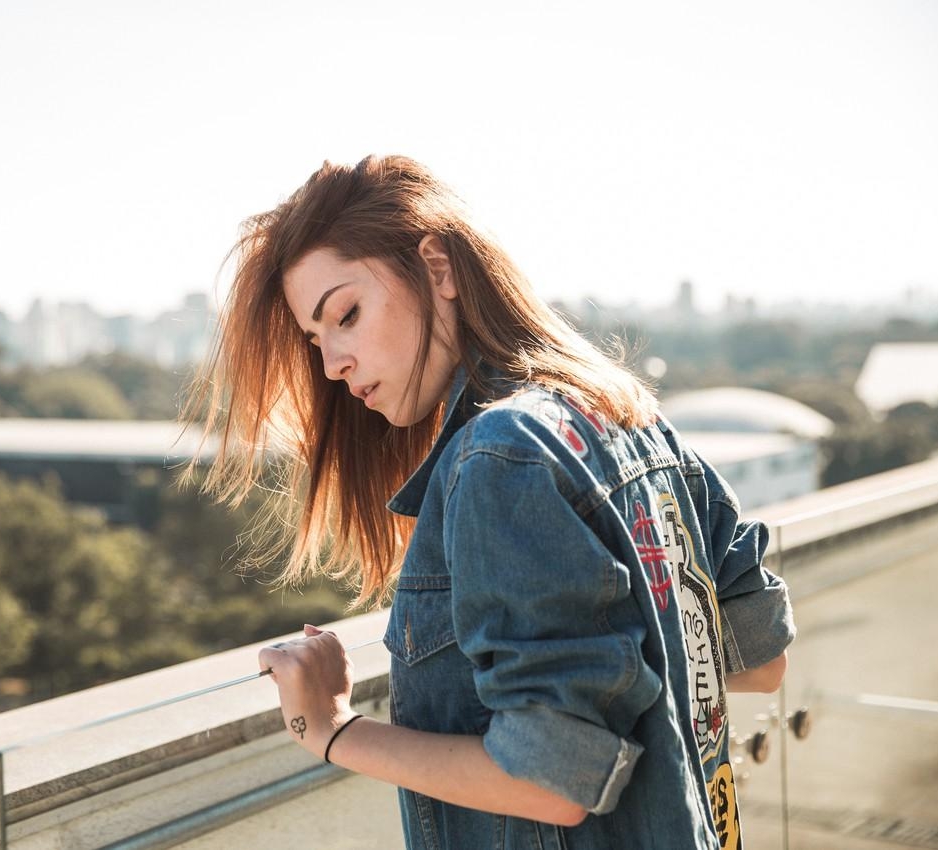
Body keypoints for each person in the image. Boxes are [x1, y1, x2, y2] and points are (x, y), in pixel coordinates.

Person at [187, 155, 796, 849]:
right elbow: (760, 663)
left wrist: (331, 730)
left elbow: (551, 783)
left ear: (439, 268)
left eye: (346, 315)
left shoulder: (500, 457)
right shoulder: (630, 418)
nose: (332, 365)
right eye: (316, 340)